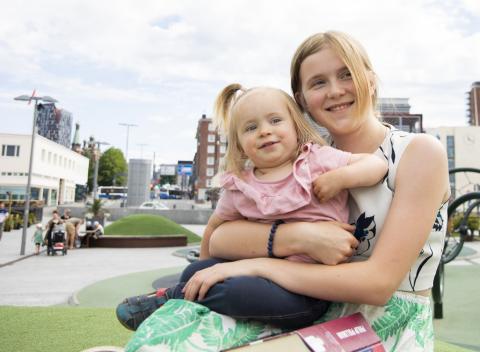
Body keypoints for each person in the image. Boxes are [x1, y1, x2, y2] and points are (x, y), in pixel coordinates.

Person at [124, 31, 449, 352]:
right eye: (318, 82)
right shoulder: (299, 161)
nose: (335, 91)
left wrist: (256, 265)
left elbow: (378, 285)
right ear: (301, 100)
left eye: (346, 74)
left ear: (372, 79)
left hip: (384, 326)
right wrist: (301, 237)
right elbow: (221, 238)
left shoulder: (417, 153)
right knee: (163, 341)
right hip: (301, 311)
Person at [116, 83, 388, 331]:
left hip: (307, 291)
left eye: (275, 120)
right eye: (250, 127)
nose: (265, 131)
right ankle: (189, 295)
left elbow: (376, 165)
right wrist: (203, 266)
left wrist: (340, 177)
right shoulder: (242, 185)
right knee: (195, 274)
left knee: (234, 292)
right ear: (240, 145)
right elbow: (215, 226)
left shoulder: (316, 161)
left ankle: (177, 296)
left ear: (296, 126)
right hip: (251, 271)